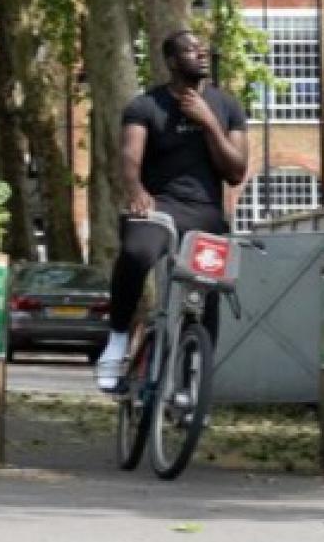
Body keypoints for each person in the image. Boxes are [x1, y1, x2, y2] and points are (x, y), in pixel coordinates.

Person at [96, 30, 249, 392]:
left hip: (205, 213)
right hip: (158, 206)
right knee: (135, 253)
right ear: (171, 61)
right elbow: (130, 158)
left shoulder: (227, 106)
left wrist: (209, 121)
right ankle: (117, 340)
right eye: (190, 50)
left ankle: (192, 381)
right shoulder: (145, 106)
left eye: (203, 48)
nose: (201, 54)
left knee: (206, 293)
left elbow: (237, 171)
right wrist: (136, 190)